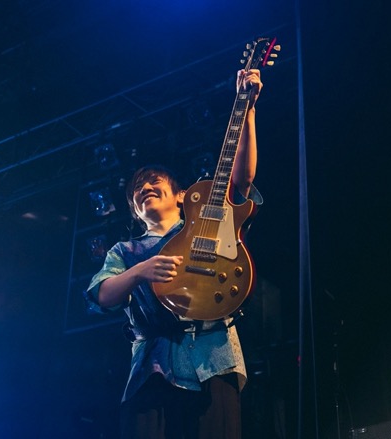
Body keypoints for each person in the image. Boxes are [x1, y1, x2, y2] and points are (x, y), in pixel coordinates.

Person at [84, 68, 263, 439]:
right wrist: (141, 270)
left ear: (182, 196)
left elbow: (241, 181)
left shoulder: (207, 226)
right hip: (151, 370)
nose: (145, 187)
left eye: (154, 181)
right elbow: (102, 295)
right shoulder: (126, 250)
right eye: (137, 189)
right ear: (135, 211)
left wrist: (247, 109)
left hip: (214, 360)